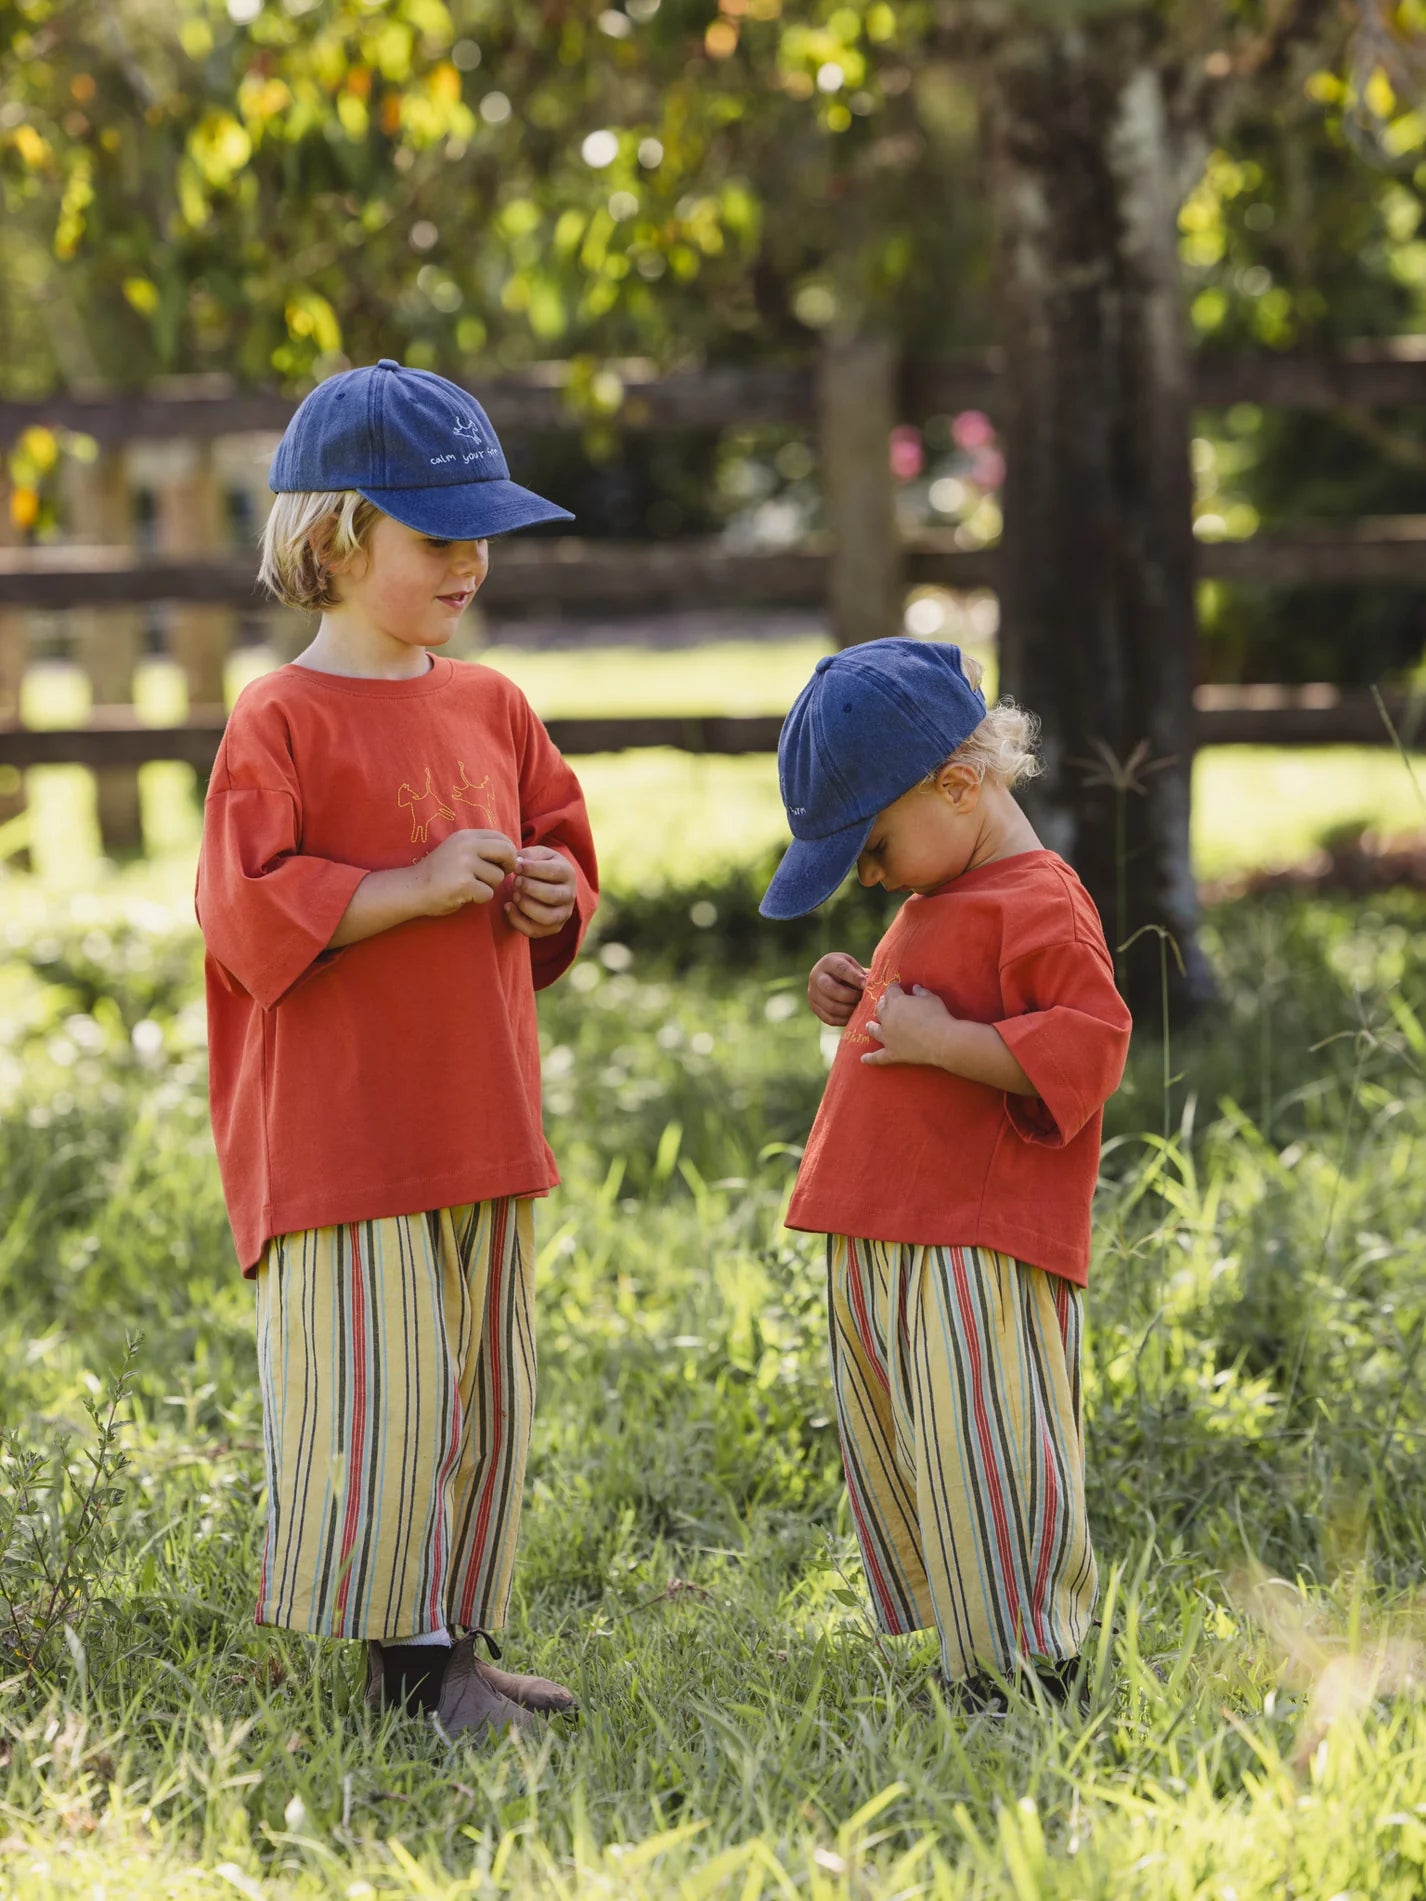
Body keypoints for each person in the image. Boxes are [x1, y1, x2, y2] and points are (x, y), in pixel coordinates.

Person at [196, 359, 598, 1742]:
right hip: (343, 1138)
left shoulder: (491, 706)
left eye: (481, 532)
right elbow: (246, 915)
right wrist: (412, 887)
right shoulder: (280, 720)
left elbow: (562, 854)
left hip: (479, 1118)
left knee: (477, 1389)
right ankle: (407, 1679)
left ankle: (459, 1649)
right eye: (438, 536)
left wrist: (554, 894)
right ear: (333, 539)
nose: (470, 560)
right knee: (377, 1397)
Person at [760, 638, 1131, 1709]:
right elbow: (916, 1001)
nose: (867, 877)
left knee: (991, 1442)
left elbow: (1086, 1048)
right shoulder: (945, 882)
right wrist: (858, 989)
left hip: (975, 1238)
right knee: (922, 1445)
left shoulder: (1041, 902)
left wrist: (939, 1042)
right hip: (890, 1223)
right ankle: (969, 1652)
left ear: (958, 785)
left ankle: (1026, 1667)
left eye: (870, 848)